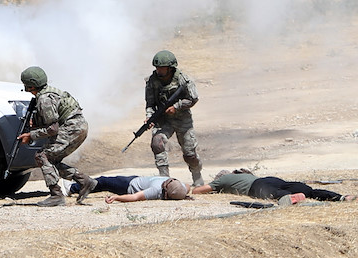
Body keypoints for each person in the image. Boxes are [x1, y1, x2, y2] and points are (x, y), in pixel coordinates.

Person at [17, 66, 96, 207]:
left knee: (42, 156)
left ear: (30, 85)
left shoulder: (44, 98)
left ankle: (56, 195)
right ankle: (84, 181)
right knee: (52, 160)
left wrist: (31, 135)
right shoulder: (50, 92)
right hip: (78, 127)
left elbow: (53, 129)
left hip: (72, 128)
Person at [144, 50, 204, 186]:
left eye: (162, 68)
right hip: (163, 120)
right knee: (157, 143)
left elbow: (193, 98)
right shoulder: (152, 81)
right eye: (157, 67)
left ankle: (197, 175)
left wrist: (176, 107)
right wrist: (149, 118)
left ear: (170, 68)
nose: (159, 70)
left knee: (190, 155)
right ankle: (164, 180)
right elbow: (150, 103)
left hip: (183, 120)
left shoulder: (182, 79)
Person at [191, 169, 356, 205]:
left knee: (275, 194)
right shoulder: (244, 174)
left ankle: (289, 198)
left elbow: (202, 190)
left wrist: (191, 190)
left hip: (257, 186)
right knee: (309, 190)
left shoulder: (223, 179)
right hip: (271, 179)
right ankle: (341, 197)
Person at [66, 175, 190, 203]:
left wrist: (116, 197)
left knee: (103, 182)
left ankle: (71, 188)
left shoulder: (158, 189)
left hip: (132, 184)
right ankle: (73, 187)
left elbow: (135, 197)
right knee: (103, 182)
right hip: (133, 182)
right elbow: (187, 187)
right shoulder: (158, 189)